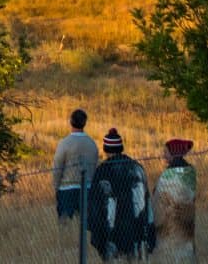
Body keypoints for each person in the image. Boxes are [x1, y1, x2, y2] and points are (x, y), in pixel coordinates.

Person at [88, 128, 154, 260]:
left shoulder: (102, 171)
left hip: (111, 232)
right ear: (121, 148)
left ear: (106, 149)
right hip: (135, 229)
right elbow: (146, 201)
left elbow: (94, 205)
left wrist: (96, 231)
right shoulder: (136, 168)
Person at [152, 140, 197, 262]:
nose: (164, 155)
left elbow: (157, 198)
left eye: (166, 152)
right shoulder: (190, 172)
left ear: (174, 153)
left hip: (168, 228)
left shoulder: (167, 175)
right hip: (186, 226)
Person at [53, 108, 99, 220]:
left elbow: (57, 167)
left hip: (67, 189)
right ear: (84, 123)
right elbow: (95, 165)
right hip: (88, 188)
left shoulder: (64, 143)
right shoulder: (92, 143)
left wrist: (56, 186)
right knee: (85, 223)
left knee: (66, 224)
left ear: (71, 121)